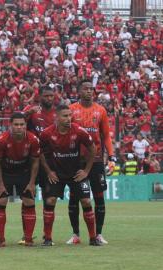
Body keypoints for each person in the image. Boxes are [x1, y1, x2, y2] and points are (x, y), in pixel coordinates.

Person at [39, 104, 101, 246]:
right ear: (57, 117)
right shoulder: (47, 133)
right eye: (65, 116)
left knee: (86, 201)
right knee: (50, 201)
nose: (68, 118)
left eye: (69, 115)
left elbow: (93, 149)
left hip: (76, 173)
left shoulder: (79, 131)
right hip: (57, 174)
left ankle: (93, 238)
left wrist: (86, 171)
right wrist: (48, 171)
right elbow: (39, 151)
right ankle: (47, 239)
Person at [68, 80, 114, 245]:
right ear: (79, 91)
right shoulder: (72, 110)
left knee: (99, 197)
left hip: (96, 161)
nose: (89, 91)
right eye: (85, 89)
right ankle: (76, 234)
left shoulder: (100, 110)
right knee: (75, 197)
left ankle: (99, 234)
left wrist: (112, 155)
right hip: (76, 161)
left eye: (91, 89)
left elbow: (106, 135)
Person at [0, 112, 40, 247]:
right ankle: (1, 239)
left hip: (23, 172)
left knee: (29, 200)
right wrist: (0, 184)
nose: (19, 127)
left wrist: (31, 183)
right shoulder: (2, 140)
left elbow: (35, 162)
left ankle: (29, 239)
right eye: (16, 124)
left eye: (21, 124)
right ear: (10, 125)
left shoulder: (33, 139)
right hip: (6, 173)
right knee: (1, 200)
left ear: (25, 125)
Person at [20, 85, 56, 244]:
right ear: (40, 96)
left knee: (49, 199)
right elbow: (17, 125)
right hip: (31, 161)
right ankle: (27, 236)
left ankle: (47, 236)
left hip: (50, 162)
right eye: (46, 96)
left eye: (51, 96)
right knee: (28, 197)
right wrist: (26, 115)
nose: (49, 98)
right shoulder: (31, 110)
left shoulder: (57, 114)